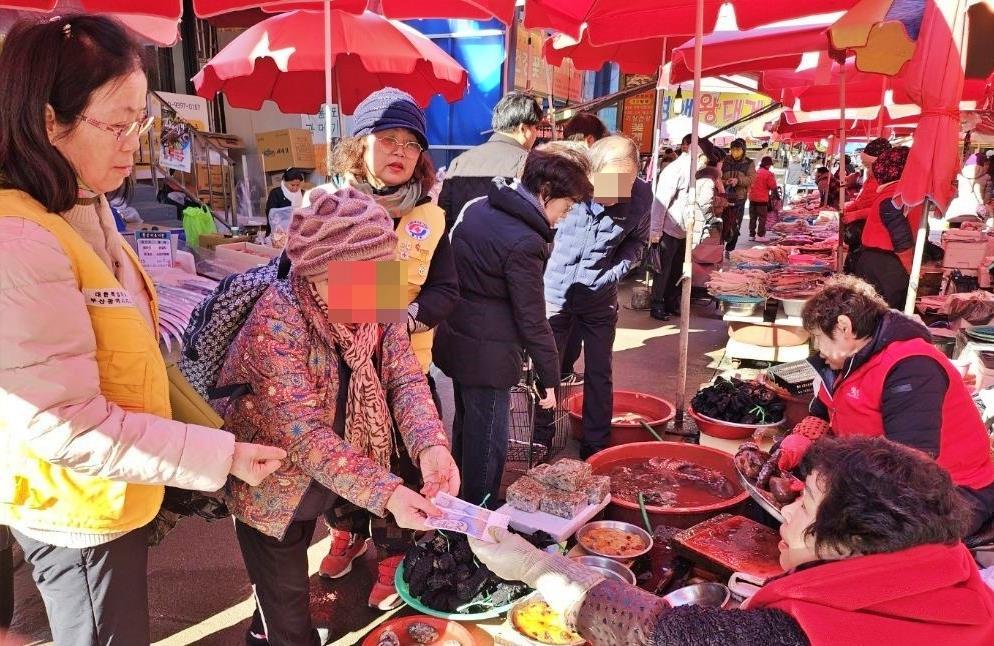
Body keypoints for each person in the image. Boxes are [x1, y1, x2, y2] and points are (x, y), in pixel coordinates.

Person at [0, 16, 285, 646]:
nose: (136, 142)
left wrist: (214, 433)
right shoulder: (22, 240)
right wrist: (221, 455)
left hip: (113, 486)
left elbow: (139, 358)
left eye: (142, 122)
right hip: (78, 504)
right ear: (51, 122)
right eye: (118, 123)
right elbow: (60, 422)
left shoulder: (84, 205)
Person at [216, 186, 459, 646]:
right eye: (351, 281)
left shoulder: (373, 293)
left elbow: (404, 378)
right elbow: (302, 435)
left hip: (339, 471)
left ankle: (262, 627)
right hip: (270, 483)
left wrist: (432, 446)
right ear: (313, 275)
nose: (368, 296)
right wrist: (388, 493)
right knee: (286, 611)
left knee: (277, 597)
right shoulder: (277, 318)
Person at [470, 436, 994, 646]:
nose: (784, 512)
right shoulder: (954, 579)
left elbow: (670, 633)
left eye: (805, 504)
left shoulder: (803, 634)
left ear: (853, 541)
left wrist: (538, 568)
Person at [316, 88, 459, 608]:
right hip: (340, 371)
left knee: (404, 460)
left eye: (411, 143)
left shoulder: (432, 218)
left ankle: (397, 553)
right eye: (387, 139)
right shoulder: (330, 208)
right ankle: (348, 532)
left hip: (407, 368)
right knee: (345, 457)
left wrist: (411, 316)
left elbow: (447, 288)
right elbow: (319, 290)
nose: (400, 151)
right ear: (360, 147)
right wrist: (383, 309)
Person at [435, 145, 594, 504]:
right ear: (545, 194)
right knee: (487, 443)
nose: (563, 217)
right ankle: (479, 517)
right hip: (489, 354)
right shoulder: (525, 241)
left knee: (466, 429)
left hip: (458, 337)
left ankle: (458, 506)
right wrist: (550, 377)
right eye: (565, 208)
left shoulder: (478, 206)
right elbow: (532, 317)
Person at [777, 275, 994, 537]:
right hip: (876, 482)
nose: (817, 348)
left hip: (950, 495)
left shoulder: (912, 367)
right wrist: (798, 441)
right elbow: (823, 412)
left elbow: (910, 463)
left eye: (818, 337)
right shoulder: (842, 363)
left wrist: (828, 492)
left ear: (844, 327)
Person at [539, 135, 651, 457]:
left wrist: (612, 274)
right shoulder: (563, 183)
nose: (615, 197)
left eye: (624, 186)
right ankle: (540, 439)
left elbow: (638, 244)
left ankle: (595, 446)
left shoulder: (641, 197)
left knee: (600, 372)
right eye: (608, 184)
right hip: (555, 294)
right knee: (548, 371)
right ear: (589, 172)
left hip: (599, 297)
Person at [437, 92, 544, 230]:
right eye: (536, 127)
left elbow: (443, 214)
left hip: (458, 246)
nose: (536, 134)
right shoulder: (528, 163)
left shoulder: (460, 161)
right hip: (507, 248)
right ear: (523, 128)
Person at [648, 136, 715, 321]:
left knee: (677, 269)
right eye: (705, 159)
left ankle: (670, 301)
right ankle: (657, 305)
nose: (705, 164)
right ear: (698, 155)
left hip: (683, 229)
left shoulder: (695, 172)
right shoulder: (675, 170)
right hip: (668, 229)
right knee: (663, 270)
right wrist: (655, 231)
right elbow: (660, 203)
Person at [848, 146, 923, 308]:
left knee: (875, 312)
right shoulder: (896, 194)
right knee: (883, 312)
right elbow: (901, 233)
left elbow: (902, 232)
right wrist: (910, 267)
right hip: (886, 264)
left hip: (882, 262)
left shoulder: (894, 193)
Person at [720, 138, 756, 252]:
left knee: (735, 224)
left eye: (738, 149)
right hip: (723, 196)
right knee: (721, 222)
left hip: (739, 197)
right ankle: (719, 246)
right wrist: (725, 182)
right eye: (733, 149)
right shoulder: (724, 161)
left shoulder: (749, 163)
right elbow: (717, 176)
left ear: (743, 150)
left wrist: (738, 181)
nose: (735, 151)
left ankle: (730, 249)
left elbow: (752, 178)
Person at [947, 153, 991, 221]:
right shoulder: (986, 177)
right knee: (972, 230)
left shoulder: (958, 176)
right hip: (976, 214)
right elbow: (987, 198)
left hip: (955, 212)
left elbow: (952, 193)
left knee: (953, 231)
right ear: (982, 163)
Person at [264, 167, 305, 233]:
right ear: (284, 181)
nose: (295, 188)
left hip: (298, 231)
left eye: (298, 185)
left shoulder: (303, 193)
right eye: (292, 185)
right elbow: (271, 214)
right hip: (278, 232)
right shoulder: (276, 193)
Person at [748, 155, 778, 241]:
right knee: (762, 218)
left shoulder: (755, 172)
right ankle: (760, 235)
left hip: (752, 198)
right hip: (762, 200)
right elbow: (773, 187)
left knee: (752, 218)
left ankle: (751, 235)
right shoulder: (768, 174)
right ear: (768, 165)